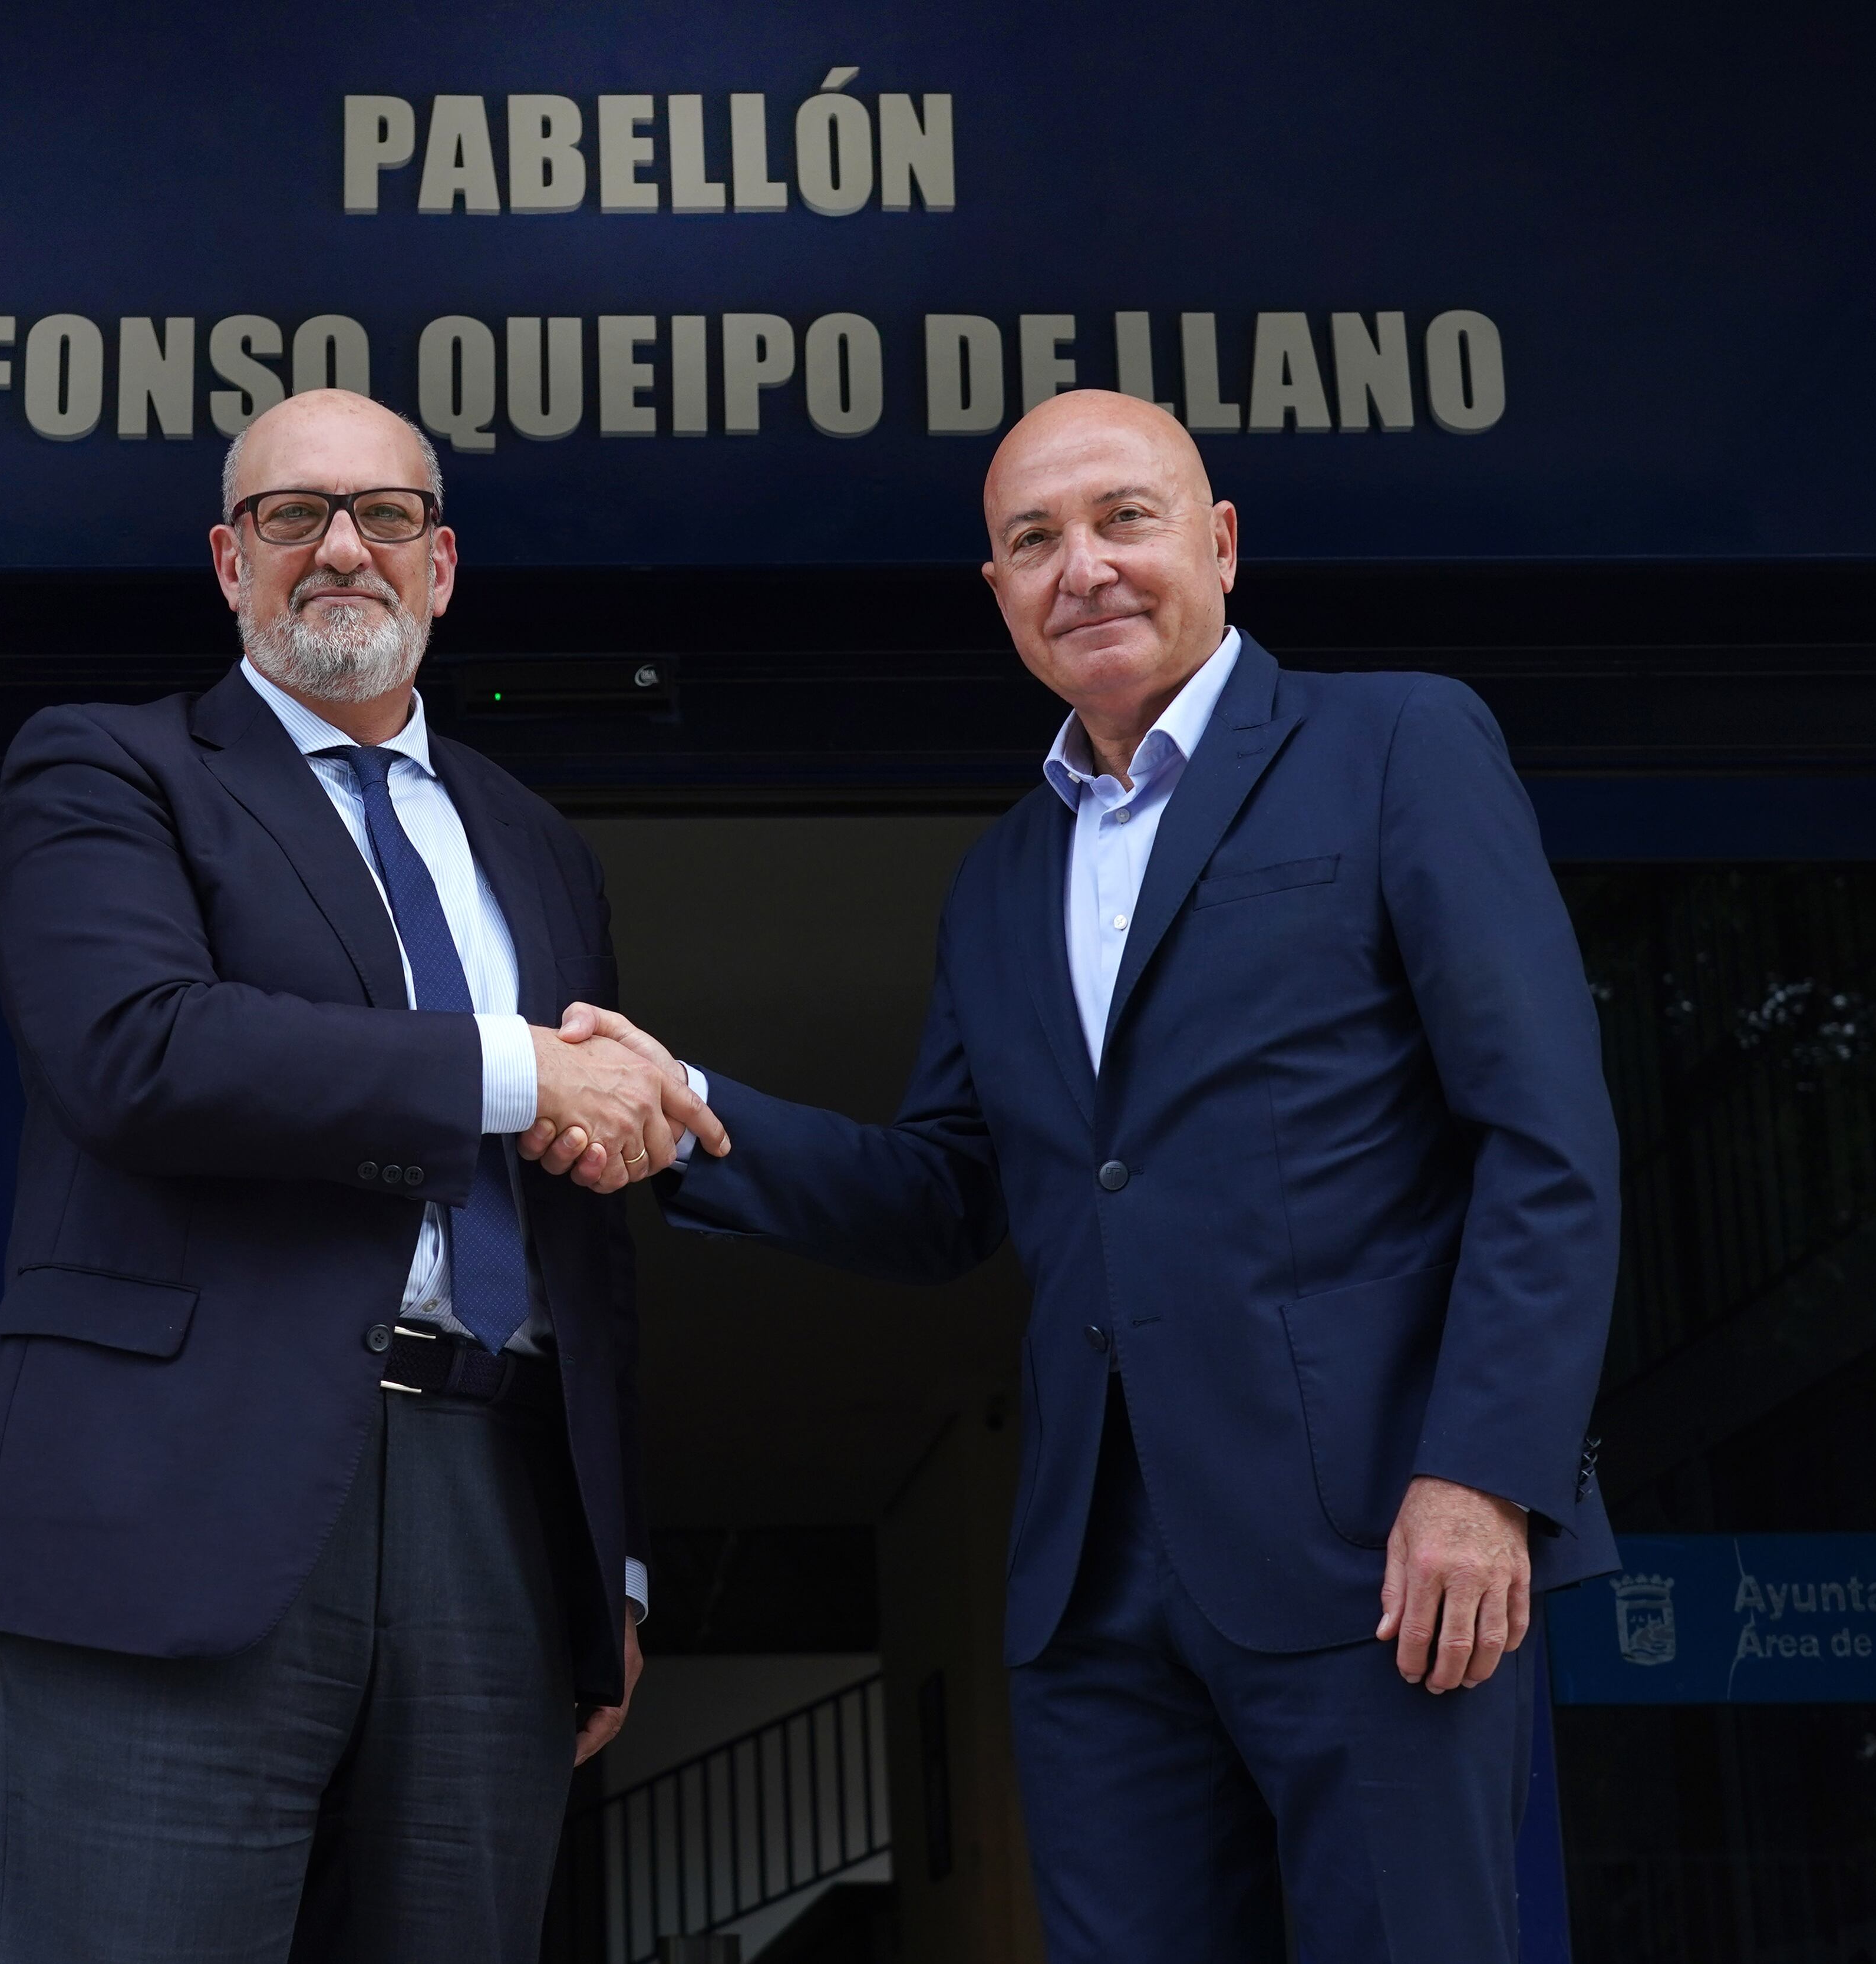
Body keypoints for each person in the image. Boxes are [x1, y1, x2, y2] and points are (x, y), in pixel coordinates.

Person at [547, 391, 1619, 1962]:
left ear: (1222, 543)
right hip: (1092, 1589)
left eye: (1126, 519)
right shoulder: (1001, 878)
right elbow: (945, 1197)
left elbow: (1545, 1140)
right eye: (1035, 541)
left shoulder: (1399, 742)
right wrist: (689, 1106)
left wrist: (1485, 1476)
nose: (1085, 569)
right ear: (998, 594)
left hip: (1382, 1551)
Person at [0, 386, 726, 1962]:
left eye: (387, 517)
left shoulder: (540, 846)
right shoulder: (106, 767)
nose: (342, 548)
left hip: (495, 1513)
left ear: (442, 567)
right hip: (169, 1500)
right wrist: (517, 1069)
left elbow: (588, 1240)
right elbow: (139, 1049)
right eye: (294, 516)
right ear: (233, 563)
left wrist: (611, 1561)